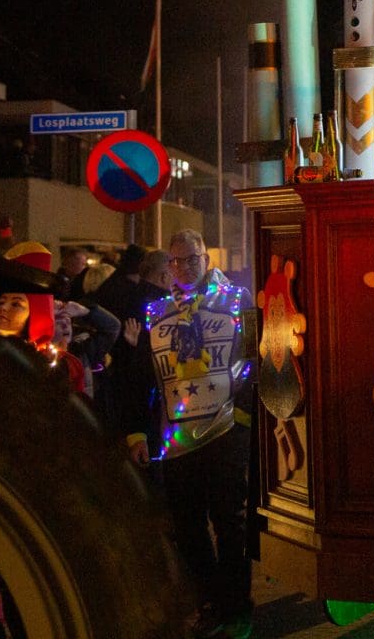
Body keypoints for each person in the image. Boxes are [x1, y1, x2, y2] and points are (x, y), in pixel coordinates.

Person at [122, 230, 258, 638]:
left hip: (226, 429)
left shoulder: (237, 300)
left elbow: (256, 356)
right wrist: (136, 432)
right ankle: (210, 602)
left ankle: (237, 606)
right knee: (187, 527)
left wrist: (244, 417)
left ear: (206, 258)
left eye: (191, 259)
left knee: (230, 523)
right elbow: (140, 375)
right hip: (176, 439)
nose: (183, 268)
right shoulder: (156, 311)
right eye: (176, 261)